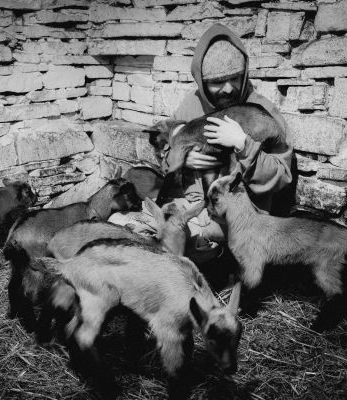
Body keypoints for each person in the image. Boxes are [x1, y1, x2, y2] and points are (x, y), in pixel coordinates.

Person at [110, 23, 294, 263]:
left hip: (231, 216)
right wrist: (182, 159)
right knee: (119, 223)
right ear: (202, 80)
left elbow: (282, 176)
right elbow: (167, 150)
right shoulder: (192, 105)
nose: (228, 88)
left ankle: (212, 261)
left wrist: (242, 144)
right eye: (218, 81)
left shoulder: (261, 113)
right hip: (189, 203)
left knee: (173, 242)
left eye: (235, 78)